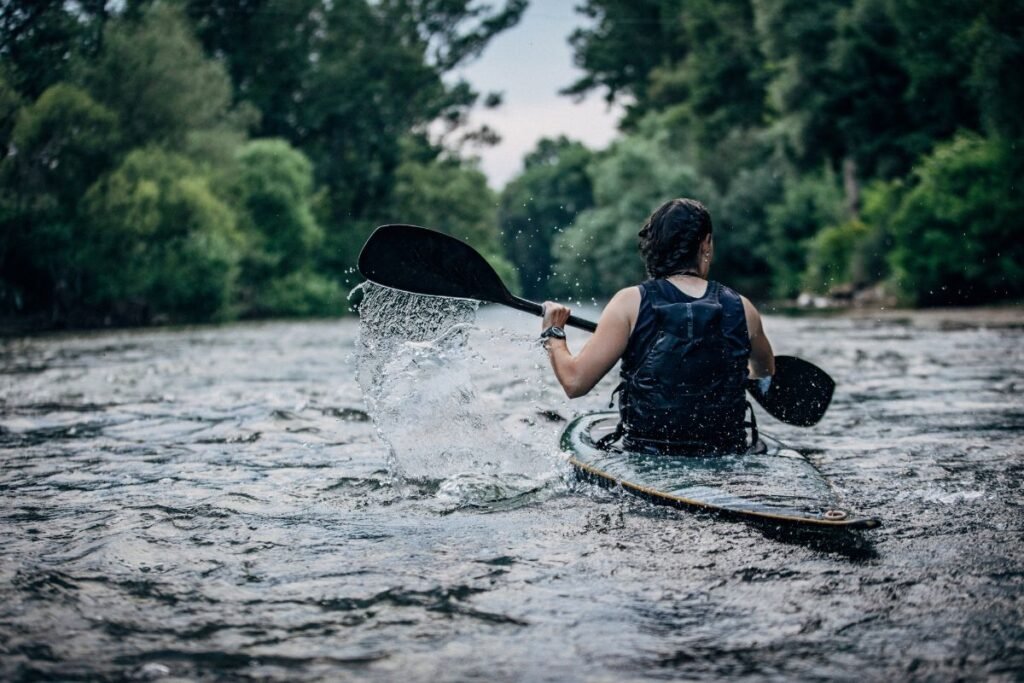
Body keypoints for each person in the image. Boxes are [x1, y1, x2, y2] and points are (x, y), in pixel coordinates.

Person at [540, 198, 775, 454]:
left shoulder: (630, 303)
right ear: (705, 243)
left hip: (648, 456)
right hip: (727, 455)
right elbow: (764, 372)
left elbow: (575, 382)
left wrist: (554, 332)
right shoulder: (743, 308)